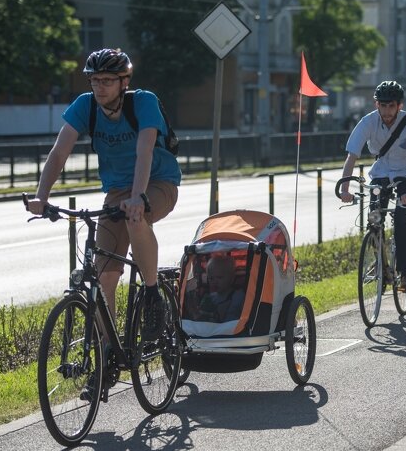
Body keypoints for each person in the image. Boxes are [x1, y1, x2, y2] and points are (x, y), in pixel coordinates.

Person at [26, 48, 181, 344]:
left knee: (136, 219)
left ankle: (152, 297)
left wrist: (138, 198)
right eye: (94, 80)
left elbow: (144, 150)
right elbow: (59, 153)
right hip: (117, 191)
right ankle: (108, 350)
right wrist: (41, 197)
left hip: (158, 182)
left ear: (124, 82)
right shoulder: (86, 107)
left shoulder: (143, 102)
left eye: (107, 80)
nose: (99, 86)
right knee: (105, 275)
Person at [338, 80, 406, 291]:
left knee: (401, 218)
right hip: (382, 171)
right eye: (383, 105)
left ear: (399, 105)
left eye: (391, 106)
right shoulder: (368, 122)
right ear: (376, 105)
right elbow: (352, 154)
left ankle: (405, 273)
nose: (387, 110)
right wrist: (345, 187)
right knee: (374, 217)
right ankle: (381, 265)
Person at [198, 255, 245, 323]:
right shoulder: (211, 297)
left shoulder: (238, 296)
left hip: (233, 330)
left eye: (219, 277)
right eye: (211, 278)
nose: (214, 282)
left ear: (231, 278)